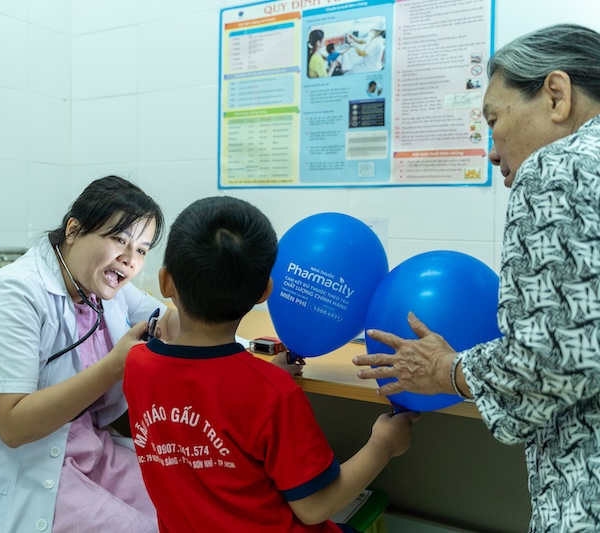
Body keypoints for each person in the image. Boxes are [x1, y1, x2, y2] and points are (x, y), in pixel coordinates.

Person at [352, 23, 600, 532]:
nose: (491, 150)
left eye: (493, 120)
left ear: (556, 95)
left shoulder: (558, 167)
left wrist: (447, 370)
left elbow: (548, 362)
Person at [124, 196, 418, 532]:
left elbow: (203, 398)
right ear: (265, 291)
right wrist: (383, 444)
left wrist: (261, 380)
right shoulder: (273, 395)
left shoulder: (136, 365)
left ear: (165, 282)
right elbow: (316, 505)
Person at [0, 175, 179, 533]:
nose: (130, 261)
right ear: (74, 229)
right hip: (21, 471)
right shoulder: (12, 295)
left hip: (86, 453)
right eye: (119, 240)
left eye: (141, 249)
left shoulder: (103, 287)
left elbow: (169, 324)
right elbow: (13, 427)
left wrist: (217, 302)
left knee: (185, 504)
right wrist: (114, 367)